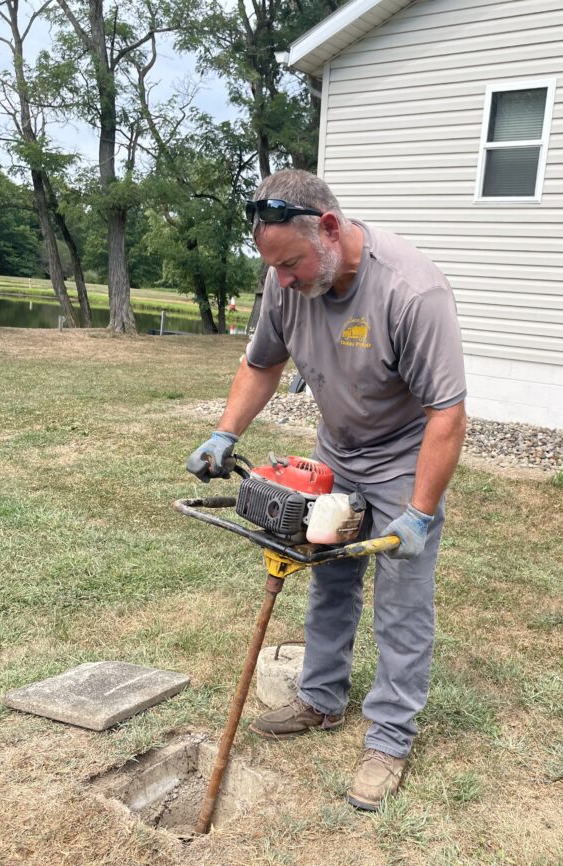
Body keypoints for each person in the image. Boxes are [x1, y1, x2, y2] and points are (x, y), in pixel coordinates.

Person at [187, 169, 466, 811]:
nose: (282, 280)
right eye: (274, 267)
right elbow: (262, 363)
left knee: (401, 599)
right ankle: (320, 699)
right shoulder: (287, 277)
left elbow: (446, 415)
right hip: (336, 451)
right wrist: (225, 433)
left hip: (403, 458)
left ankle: (390, 740)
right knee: (327, 575)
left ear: (332, 229)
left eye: (291, 263)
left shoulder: (410, 291)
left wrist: (418, 514)